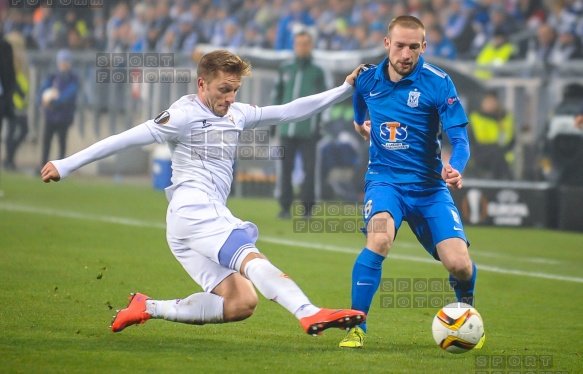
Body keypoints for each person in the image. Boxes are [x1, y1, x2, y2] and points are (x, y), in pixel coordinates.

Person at [41, 50, 366, 336]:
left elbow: (289, 111)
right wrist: (66, 164)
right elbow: (124, 139)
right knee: (248, 254)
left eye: (235, 90)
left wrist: (345, 88)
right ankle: (307, 311)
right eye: (224, 90)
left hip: (188, 224)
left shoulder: (237, 114)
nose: (230, 98)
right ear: (202, 84)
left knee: (241, 302)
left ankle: (147, 306)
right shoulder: (181, 116)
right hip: (193, 207)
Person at [339, 15, 484, 349]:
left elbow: (460, 140)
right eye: (400, 45)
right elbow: (359, 102)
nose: (406, 54)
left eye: (413, 47)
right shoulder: (367, 79)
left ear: (424, 47)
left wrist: (456, 166)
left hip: (430, 188)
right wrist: (360, 122)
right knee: (379, 239)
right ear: (387, 44)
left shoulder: (438, 82)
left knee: (460, 265)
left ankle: (466, 307)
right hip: (384, 182)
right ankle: (357, 327)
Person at [273, 30, 328, 219]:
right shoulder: (285, 69)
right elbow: (277, 96)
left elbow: (325, 100)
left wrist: (321, 124)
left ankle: (307, 209)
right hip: (286, 128)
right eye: (298, 44)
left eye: (305, 44)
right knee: (285, 169)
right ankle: (285, 207)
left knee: (309, 170)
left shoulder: (318, 72)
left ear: (311, 46)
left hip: (308, 129)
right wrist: (273, 122)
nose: (301, 47)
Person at [38, 49, 79, 167]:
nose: (63, 65)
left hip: (64, 116)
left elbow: (69, 94)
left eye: (65, 62)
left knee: (62, 141)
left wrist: (54, 101)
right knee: (46, 141)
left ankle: (61, 167)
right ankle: (43, 166)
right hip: (50, 114)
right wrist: (41, 99)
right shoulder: (52, 76)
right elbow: (43, 90)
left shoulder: (72, 78)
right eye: (61, 62)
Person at [468, 91, 514, 180]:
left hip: (502, 154)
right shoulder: (476, 117)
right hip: (481, 153)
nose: (490, 104)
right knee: (495, 152)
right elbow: (478, 140)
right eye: (487, 101)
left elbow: (510, 140)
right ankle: (507, 180)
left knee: (497, 154)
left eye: (492, 101)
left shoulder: (505, 117)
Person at [4, 31, 29, 171]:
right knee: (14, 130)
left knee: (18, 130)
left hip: (21, 100)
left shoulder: (20, 57)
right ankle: (9, 159)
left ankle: (9, 158)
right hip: (14, 100)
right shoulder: (11, 57)